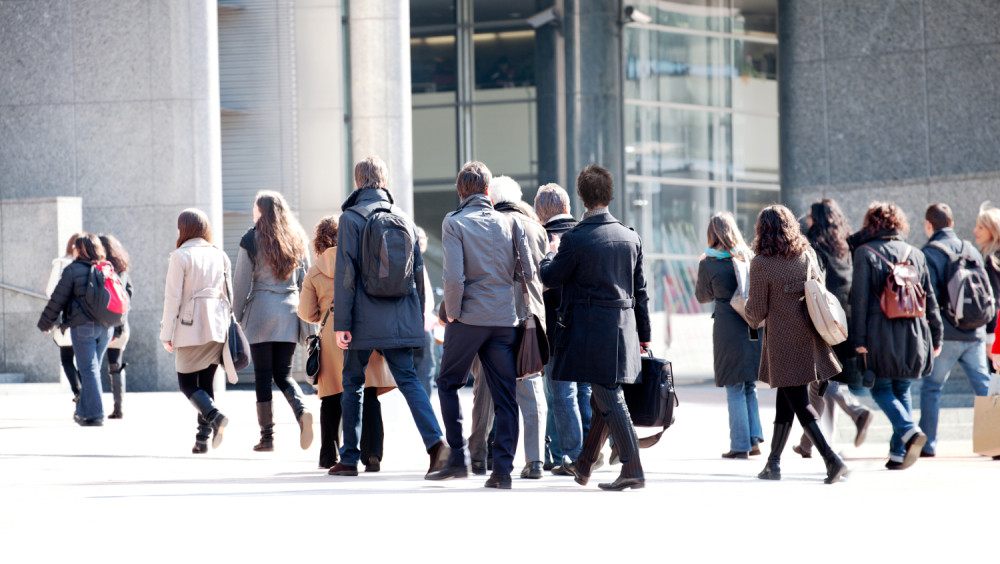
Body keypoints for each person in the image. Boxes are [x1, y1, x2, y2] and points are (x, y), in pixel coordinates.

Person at [330, 156, 448, 477]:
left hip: (362, 318)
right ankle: (436, 445)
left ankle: (349, 458)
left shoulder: (351, 218)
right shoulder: (404, 218)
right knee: (409, 379)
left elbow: (346, 275)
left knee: (353, 383)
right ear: (384, 181)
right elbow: (419, 273)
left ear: (358, 182)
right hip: (399, 315)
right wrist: (418, 318)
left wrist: (342, 324)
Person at [540, 164, 651, 491]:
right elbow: (641, 293)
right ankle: (584, 465)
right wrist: (645, 337)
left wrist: (548, 255)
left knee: (608, 397)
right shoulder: (630, 237)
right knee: (601, 398)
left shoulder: (575, 239)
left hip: (589, 334)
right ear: (610, 195)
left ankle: (633, 468)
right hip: (624, 331)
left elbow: (550, 277)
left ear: (582, 197)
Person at [427, 161, 533, 489]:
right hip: (503, 319)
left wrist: (452, 313)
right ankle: (502, 472)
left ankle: (458, 458)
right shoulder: (511, 222)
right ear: (487, 190)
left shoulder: (454, 222)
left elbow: (453, 278)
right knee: (505, 397)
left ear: (460, 192)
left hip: (468, 318)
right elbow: (528, 272)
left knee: (447, 383)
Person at [745, 205, 847, 484]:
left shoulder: (761, 263)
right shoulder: (806, 254)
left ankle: (832, 460)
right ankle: (773, 463)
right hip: (810, 339)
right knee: (787, 400)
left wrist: (745, 309)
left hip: (783, 343)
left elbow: (756, 312)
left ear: (762, 230)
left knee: (800, 404)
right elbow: (819, 290)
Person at [465, 175, 549, 479]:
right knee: (531, 386)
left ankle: (477, 455)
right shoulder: (537, 228)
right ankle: (535, 460)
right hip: (529, 318)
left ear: (491, 198)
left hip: (492, 317)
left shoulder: (485, 225)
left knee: (485, 388)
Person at [297, 215, 397, 471]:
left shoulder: (315, 269)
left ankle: (329, 455)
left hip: (333, 336)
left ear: (320, 241)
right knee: (368, 393)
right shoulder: (363, 261)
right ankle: (372, 454)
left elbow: (306, 312)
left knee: (331, 397)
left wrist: (324, 313)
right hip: (364, 329)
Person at [852, 201, 942, 470]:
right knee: (902, 388)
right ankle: (897, 454)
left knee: (880, 388)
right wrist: (936, 335)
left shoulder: (864, 252)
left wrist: (859, 341)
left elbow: (859, 301)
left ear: (871, 223)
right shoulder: (917, 253)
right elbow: (930, 299)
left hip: (879, 334)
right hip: (914, 332)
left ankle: (909, 431)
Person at [234, 190, 314, 452]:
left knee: (262, 376)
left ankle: (267, 437)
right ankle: (302, 411)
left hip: (260, 313)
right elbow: (306, 283)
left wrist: (235, 317)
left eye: (255, 207)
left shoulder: (251, 239)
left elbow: (241, 283)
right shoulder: (297, 239)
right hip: (290, 314)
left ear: (261, 211)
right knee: (283, 374)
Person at [792, 199, 873, 458]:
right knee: (822, 381)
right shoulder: (844, 244)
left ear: (816, 219)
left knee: (823, 378)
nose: (807, 219)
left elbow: (812, 283)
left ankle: (856, 411)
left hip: (825, 318)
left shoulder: (815, 246)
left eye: (810, 216)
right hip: (845, 317)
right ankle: (808, 444)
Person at [919, 203, 993, 457]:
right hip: (975, 332)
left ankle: (928, 444)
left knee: (932, 387)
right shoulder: (970, 249)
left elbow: (929, 299)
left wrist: (932, 335)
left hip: (947, 335)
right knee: (984, 388)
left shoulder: (930, 253)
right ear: (951, 223)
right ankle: (994, 441)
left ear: (928, 225)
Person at [533, 183, 595, 474]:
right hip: (587, 323)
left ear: (539, 213)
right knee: (584, 389)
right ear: (568, 207)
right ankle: (591, 450)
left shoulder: (540, 237)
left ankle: (573, 454)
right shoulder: (585, 232)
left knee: (562, 393)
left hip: (555, 328)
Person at [159, 209, 231, 452]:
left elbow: (172, 299)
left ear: (183, 229)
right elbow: (229, 295)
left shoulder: (180, 256)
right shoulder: (220, 254)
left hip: (189, 327)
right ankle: (202, 440)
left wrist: (166, 335)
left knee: (187, 383)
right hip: (217, 326)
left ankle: (216, 417)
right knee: (205, 382)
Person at [695, 212, 763, 459]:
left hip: (728, 329)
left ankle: (740, 445)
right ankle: (753, 441)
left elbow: (703, 297)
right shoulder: (749, 257)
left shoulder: (708, 263)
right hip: (753, 327)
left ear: (711, 233)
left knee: (734, 386)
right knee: (749, 385)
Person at [38, 234, 114, 426]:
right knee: (92, 370)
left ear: (80, 250)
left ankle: (95, 414)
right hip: (107, 327)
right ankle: (83, 412)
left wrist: (46, 323)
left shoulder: (73, 270)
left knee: (88, 370)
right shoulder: (106, 268)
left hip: (83, 327)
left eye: (75, 247)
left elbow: (58, 298)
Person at [46, 232, 84, 403]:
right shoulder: (91, 264)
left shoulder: (61, 264)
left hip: (67, 319)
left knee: (67, 358)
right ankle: (85, 395)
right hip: (87, 320)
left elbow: (51, 292)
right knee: (85, 361)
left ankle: (79, 393)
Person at [98, 234, 133, 420]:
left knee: (91, 364)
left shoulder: (100, 268)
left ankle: (89, 406)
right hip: (121, 324)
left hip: (101, 325)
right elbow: (129, 295)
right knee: (116, 365)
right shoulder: (122, 270)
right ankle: (119, 408)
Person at [973, 202, 1000, 372]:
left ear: (993, 230)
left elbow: (995, 300)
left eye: (980, 227)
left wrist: (992, 338)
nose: (975, 231)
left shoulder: (992, 261)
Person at [413, 226, 438, 397]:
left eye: (423, 238)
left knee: (426, 368)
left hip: (425, 322)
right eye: (418, 239)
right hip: (421, 324)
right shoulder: (414, 262)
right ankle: (424, 406)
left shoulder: (418, 260)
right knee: (426, 368)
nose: (421, 242)